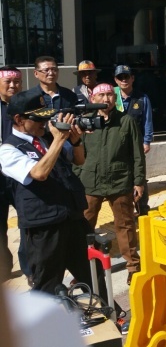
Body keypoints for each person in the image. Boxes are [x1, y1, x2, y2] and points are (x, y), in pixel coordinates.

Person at [0, 91, 94, 294]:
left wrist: (76, 141)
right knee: (48, 283)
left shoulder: (46, 138)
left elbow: (79, 160)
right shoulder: (8, 150)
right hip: (44, 227)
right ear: (18, 119)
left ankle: (111, 314)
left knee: (92, 274)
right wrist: (59, 139)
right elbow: (39, 173)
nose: (44, 123)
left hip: (72, 218)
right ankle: (48, 324)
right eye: (38, 119)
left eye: (46, 117)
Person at [78, 83, 145, 284]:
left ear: (115, 99)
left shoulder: (126, 121)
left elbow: (137, 155)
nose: (106, 98)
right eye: (101, 95)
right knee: (83, 225)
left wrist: (139, 181)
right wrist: (78, 175)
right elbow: (76, 153)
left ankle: (133, 265)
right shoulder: (85, 123)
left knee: (125, 226)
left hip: (120, 181)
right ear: (93, 99)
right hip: (90, 181)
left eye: (110, 95)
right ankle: (84, 267)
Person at [114, 65, 154, 215]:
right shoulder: (111, 97)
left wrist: (147, 141)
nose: (124, 80)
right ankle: (125, 210)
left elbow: (147, 121)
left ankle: (142, 209)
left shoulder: (142, 98)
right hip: (117, 146)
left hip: (136, 145)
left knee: (139, 176)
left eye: (127, 76)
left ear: (132, 78)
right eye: (120, 77)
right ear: (116, 80)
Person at [0, 67, 21, 282]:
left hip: (20, 174)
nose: (13, 85)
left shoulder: (26, 106)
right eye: (8, 81)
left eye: (17, 81)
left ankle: (32, 267)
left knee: (28, 223)